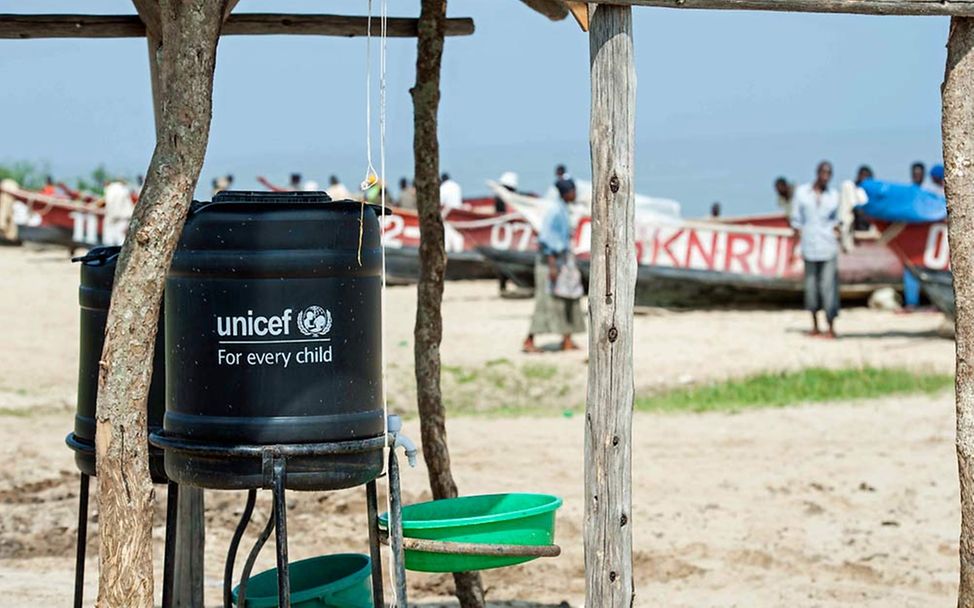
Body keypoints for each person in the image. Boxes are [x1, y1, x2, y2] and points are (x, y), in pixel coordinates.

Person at [523, 178, 585, 353]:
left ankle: (567, 338)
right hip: (551, 263)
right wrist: (552, 267)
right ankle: (529, 340)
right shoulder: (556, 211)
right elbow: (548, 241)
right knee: (546, 301)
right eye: (573, 191)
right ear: (567, 192)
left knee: (568, 298)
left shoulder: (564, 210)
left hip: (562, 262)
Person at [790, 161, 840, 339]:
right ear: (817, 173)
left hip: (828, 247)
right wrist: (793, 247)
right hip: (809, 246)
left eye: (829, 173)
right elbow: (796, 221)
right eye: (823, 173)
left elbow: (839, 221)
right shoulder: (802, 193)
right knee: (811, 288)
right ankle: (815, 325)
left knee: (828, 287)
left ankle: (831, 326)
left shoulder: (834, 196)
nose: (826, 177)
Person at [102, 178, 134, 246]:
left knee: (110, 240)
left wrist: (110, 217)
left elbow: (110, 203)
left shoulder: (110, 190)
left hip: (113, 217)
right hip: (124, 217)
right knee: (121, 239)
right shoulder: (124, 189)